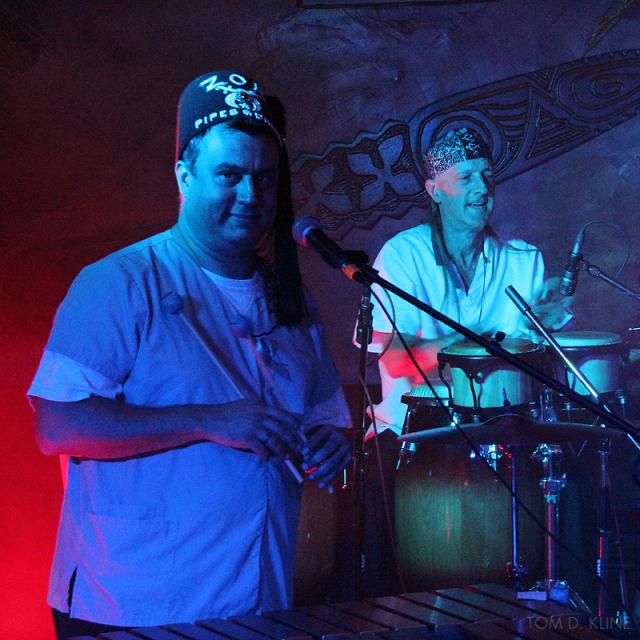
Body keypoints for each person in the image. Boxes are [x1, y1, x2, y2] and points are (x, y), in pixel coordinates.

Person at [29, 70, 352, 638]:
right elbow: (59, 427)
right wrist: (206, 420)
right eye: (229, 175)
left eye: (265, 179)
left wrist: (331, 441)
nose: (250, 196)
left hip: (258, 601)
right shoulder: (119, 282)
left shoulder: (291, 298)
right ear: (184, 175)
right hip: (135, 606)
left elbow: (325, 414)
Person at [361, 126, 570, 597]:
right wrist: (481, 342)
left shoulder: (523, 259)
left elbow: (536, 366)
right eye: (467, 177)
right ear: (434, 191)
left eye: (488, 176)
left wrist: (544, 332)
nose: (482, 188)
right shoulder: (402, 256)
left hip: (504, 435)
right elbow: (395, 362)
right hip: (413, 436)